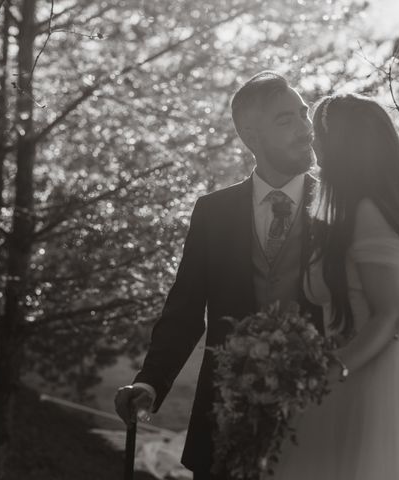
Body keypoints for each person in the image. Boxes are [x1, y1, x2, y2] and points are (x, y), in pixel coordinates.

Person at [114, 71, 323, 479]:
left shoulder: (339, 208)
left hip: (318, 419)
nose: (305, 129)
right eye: (286, 119)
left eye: (304, 114)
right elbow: (185, 310)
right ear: (251, 133)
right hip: (225, 420)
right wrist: (150, 383)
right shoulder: (213, 212)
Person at [269, 93, 399, 479]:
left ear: (344, 146)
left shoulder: (370, 215)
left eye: (318, 132)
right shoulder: (349, 214)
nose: (311, 140)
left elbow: (387, 316)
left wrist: (330, 372)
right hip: (355, 376)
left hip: (372, 389)